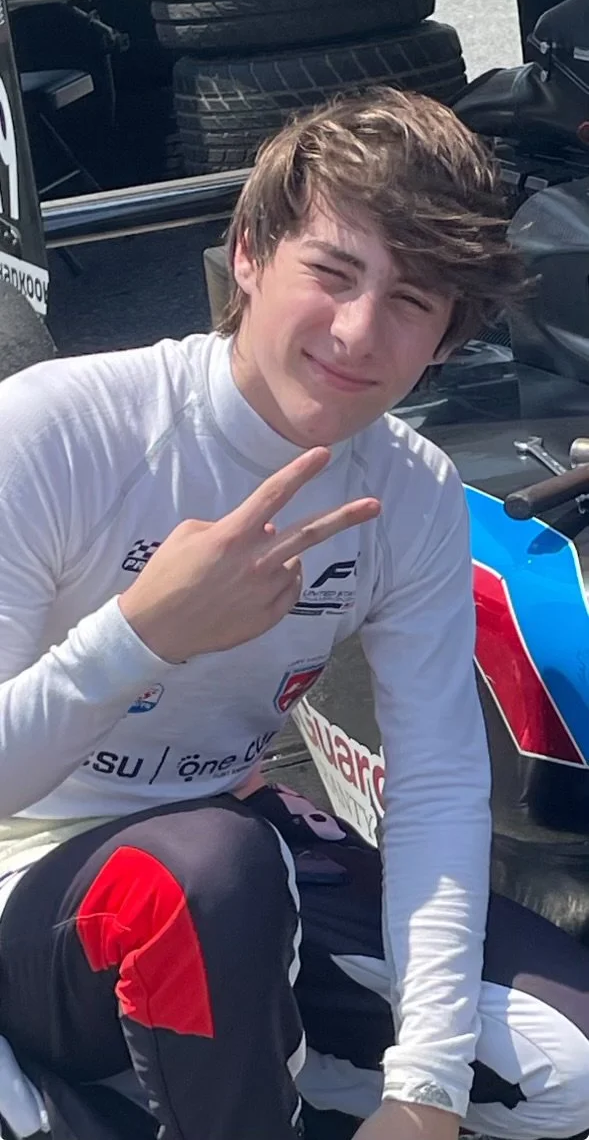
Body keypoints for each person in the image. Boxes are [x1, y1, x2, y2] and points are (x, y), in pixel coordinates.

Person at [0, 85, 587, 1140]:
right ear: (248, 255)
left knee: (568, 1065)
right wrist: (140, 636)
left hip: (237, 845)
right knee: (206, 877)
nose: (358, 332)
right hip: (33, 868)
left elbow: (437, 784)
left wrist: (425, 1088)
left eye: (412, 299)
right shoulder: (55, 428)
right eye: (332, 272)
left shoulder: (409, 490)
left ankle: (227, 1076)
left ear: (446, 337)